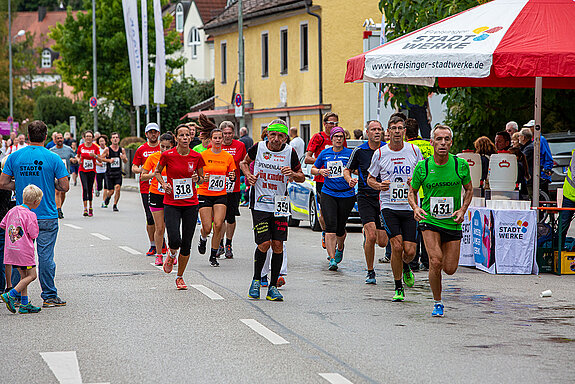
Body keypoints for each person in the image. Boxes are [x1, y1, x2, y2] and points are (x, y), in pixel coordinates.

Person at [0, 120, 69, 308]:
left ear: (28, 136)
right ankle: (49, 295)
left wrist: (21, 186)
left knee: (19, 255)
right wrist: (48, 184)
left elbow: (3, 183)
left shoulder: (15, 157)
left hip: (22, 215)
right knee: (46, 256)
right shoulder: (53, 157)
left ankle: (14, 294)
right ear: (46, 136)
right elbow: (64, 186)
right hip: (46, 214)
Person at [408, 125, 473, 317]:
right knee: (435, 262)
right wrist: (416, 208)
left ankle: (439, 283)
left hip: (452, 220)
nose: (443, 143)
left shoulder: (459, 165)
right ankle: (437, 301)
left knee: (450, 268)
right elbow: (411, 191)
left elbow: (469, 189)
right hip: (430, 220)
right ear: (432, 142)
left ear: (451, 142)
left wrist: (462, 209)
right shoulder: (424, 166)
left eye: (446, 139)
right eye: (439, 139)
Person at [240, 119, 305, 301]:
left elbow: (301, 176)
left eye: (281, 136)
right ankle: (255, 280)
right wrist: (249, 175)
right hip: (260, 203)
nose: (276, 139)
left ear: (286, 138)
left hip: (280, 204)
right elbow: (243, 163)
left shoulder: (289, 152)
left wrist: (292, 174)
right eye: (273, 135)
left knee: (277, 245)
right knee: (264, 244)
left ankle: (273, 286)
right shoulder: (258, 147)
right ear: (267, 134)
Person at [367, 116, 423, 301]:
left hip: (410, 206)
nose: (397, 131)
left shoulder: (414, 151)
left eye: (400, 128)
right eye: (393, 128)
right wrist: (379, 185)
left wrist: (414, 181)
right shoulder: (380, 154)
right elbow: (370, 179)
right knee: (396, 246)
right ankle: (398, 287)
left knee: (410, 252)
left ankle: (406, 266)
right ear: (388, 132)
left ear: (404, 131)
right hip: (389, 206)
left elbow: (422, 176)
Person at [155, 124, 205, 290]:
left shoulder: (196, 156)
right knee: (175, 238)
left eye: (187, 135)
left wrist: (198, 178)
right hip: (172, 203)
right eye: (181, 135)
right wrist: (164, 184)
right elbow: (157, 172)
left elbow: (201, 179)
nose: (185, 138)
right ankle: (171, 253)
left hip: (191, 203)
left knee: (187, 243)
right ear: (176, 138)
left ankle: (180, 276)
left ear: (190, 138)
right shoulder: (168, 155)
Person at [344, 120, 388, 284]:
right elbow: (347, 169)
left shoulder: (387, 149)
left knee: (382, 242)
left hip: (384, 198)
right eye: (373, 129)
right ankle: (370, 272)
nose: (377, 132)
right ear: (367, 133)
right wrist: (349, 180)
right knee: (371, 236)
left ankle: (368, 235)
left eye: (379, 129)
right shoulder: (359, 150)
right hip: (365, 197)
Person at [312, 127, 355, 271]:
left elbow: (357, 169)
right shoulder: (325, 153)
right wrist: (320, 171)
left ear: (344, 139)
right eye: (336, 136)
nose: (338, 139)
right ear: (331, 138)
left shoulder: (350, 153)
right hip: (328, 192)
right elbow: (313, 168)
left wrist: (351, 175)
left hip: (346, 194)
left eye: (341, 136)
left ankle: (340, 247)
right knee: (330, 225)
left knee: (340, 227)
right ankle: (331, 259)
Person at [305, 112, 346, 249]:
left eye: (336, 123)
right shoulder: (318, 137)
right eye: (331, 123)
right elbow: (307, 158)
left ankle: (332, 237)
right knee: (323, 214)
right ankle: (325, 232)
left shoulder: (340, 137)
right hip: (322, 179)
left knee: (338, 213)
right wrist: (324, 161)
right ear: (325, 124)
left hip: (339, 181)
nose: (333, 126)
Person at [0, 184, 43, 314]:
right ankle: (10, 295)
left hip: (12, 249)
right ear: (36, 202)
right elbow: (34, 233)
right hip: (25, 252)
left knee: (23, 276)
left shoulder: (12, 210)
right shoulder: (31, 215)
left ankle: (24, 303)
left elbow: (3, 224)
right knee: (32, 275)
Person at [197, 127, 236, 267]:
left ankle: (213, 255)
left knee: (218, 225)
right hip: (205, 193)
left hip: (220, 194)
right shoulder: (203, 155)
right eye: (216, 138)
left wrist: (232, 176)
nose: (218, 140)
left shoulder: (227, 157)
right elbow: (197, 177)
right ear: (211, 139)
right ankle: (203, 238)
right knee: (207, 227)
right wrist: (203, 177)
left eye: (220, 138)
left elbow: (232, 175)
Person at [141, 132, 175, 266]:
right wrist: (154, 175)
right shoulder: (153, 158)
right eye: (162, 147)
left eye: (168, 147)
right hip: (156, 194)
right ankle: (159, 254)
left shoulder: (176, 158)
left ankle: (172, 254)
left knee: (172, 228)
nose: (165, 150)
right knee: (160, 228)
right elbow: (143, 176)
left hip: (172, 195)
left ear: (172, 146)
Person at [404, 118, 433, 271]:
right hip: (430, 191)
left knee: (415, 227)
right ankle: (427, 261)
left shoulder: (408, 147)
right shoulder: (429, 145)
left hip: (415, 192)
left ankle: (413, 262)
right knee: (427, 227)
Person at [132, 123, 164, 256]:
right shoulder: (142, 149)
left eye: (155, 132)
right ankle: (153, 244)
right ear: (146, 134)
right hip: (147, 187)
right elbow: (134, 167)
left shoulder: (163, 147)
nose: (153, 134)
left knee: (164, 219)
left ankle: (162, 242)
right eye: (150, 132)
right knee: (150, 217)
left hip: (162, 187)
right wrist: (144, 170)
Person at [221, 121, 247, 259]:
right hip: (217, 187)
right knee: (219, 218)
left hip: (234, 186)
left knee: (230, 217)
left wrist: (248, 177)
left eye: (230, 133)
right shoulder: (215, 145)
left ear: (234, 133)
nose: (227, 136)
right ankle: (218, 242)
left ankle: (228, 244)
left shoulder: (240, 145)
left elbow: (244, 163)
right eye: (224, 133)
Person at [50, 132, 77, 219]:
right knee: (57, 192)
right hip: (55, 175)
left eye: (61, 138)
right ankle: (58, 210)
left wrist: (74, 160)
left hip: (65, 174)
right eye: (58, 138)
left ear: (63, 139)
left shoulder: (68, 149)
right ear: (55, 140)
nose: (60, 140)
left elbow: (75, 157)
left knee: (63, 192)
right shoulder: (52, 150)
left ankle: (59, 207)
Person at [523, 120, 554, 196]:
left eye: (530, 127)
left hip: (541, 174)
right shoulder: (531, 140)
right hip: (532, 174)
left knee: (542, 196)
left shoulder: (541, 139)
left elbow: (547, 156)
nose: (528, 129)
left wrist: (546, 169)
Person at [99, 132, 128, 211]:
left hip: (118, 173)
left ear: (118, 139)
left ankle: (115, 204)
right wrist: (108, 160)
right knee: (111, 191)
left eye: (116, 137)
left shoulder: (121, 150)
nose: (115, 139)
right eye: (113, 138)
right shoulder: (107, 149)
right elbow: (100, 159)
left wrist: (123, 158)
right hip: (109, 173)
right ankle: (108, 197)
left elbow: (126, 161)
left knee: (118, 188)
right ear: (111, 140)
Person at [0, 156, 16, 293]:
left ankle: (8, 285)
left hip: (7, 222)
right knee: (7, 255)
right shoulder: (5, 186)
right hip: (6, 223)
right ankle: (8, 285)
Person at [77, 131, 98, 217]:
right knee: (84, 188)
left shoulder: (95, 147)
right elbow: (78, 155)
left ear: (92, 138)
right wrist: (78, 159)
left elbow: (99, 159)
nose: (88, 138)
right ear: (84, 138)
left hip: (92, 170)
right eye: (87, 136)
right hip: (82, 170)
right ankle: (85, 208)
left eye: (90, 136)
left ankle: (90, 207)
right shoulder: (81, 147)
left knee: (90, 189)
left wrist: (95, 156)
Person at [559, 149, 575, 247]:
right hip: (570, 195)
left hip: (569, 194)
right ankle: (557, 252)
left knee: (563, 224)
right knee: (563, 226)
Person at [94, 135, 108, 199]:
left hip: (106, 170)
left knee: (106, 186)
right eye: (100, 141)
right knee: (99, 186)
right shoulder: (97, 150)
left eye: (103, 141)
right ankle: (97, 189)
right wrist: (98, 164)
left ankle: (104, 201)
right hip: (98, 170)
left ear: (105, 142)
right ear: (98, 143)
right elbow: (93, 161)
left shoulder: (107, 149)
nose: (102, 142)